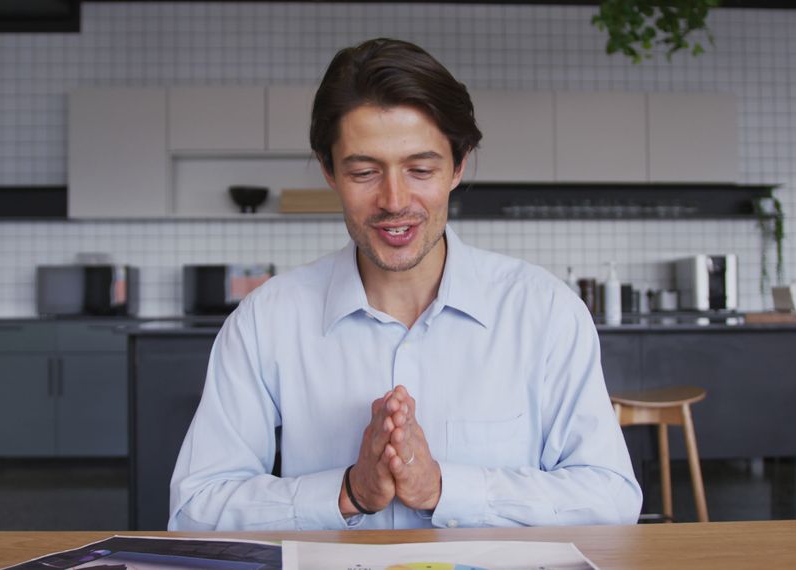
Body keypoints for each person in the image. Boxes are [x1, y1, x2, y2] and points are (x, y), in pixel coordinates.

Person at [169, 37, 642, 531]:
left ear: (459, 165)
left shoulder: (544, 312)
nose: (394, 200)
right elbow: (195, 510)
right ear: (329, 170)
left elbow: (610, 498)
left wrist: (444, 489)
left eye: (420, 169)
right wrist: (348, 491)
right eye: (364, 171)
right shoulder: (266, 320)